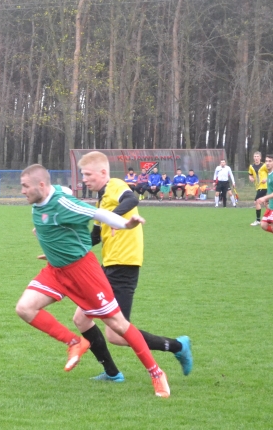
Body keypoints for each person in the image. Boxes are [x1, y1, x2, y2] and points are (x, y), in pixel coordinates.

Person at [15, 164, 170, 398]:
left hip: (83, 273)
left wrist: (126, 224)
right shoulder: (44, 197)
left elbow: (99, 214)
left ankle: (156, 372)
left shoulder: (63, 203)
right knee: (25, 308)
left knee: (119, 325)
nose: (22, 191)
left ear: (41, 185)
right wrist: (53, 248)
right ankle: (74, 343)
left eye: (25, 186)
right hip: (56, 271)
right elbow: (63, 192)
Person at [74, 151, 192, 383]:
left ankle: (178, 345)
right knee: (81, 318)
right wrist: (60, 249)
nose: (84, 179)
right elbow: (94, 238)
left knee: (117, 334)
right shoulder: (101, 201)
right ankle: (112, 373)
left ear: (103, 173)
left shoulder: (115, 185)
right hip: (108, 266)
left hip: (125, 264)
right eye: (83, 175)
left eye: (88, 174)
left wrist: (113, 218)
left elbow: (132, 199)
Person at [247, 151, 268, 226]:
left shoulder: (264, 165)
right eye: (255, 156)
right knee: (266, 203)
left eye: (257, 156)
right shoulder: (251, 166)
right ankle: (270, 218)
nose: (256, 158)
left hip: (264, 186)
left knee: (257, 201)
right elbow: (250, 174)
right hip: (258, 187)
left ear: (260, 157)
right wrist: (251, 178)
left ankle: (258, 220)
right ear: (253, 157)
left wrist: (266, 179)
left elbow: (270, 173)